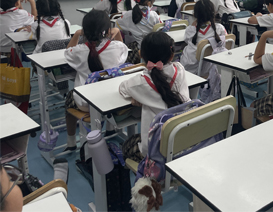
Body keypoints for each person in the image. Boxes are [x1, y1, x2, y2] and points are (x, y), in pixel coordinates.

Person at [64, 10, 128, 151]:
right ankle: (111, 129)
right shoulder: (117, 47)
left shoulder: (79, 51)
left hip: (86, 103)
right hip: (114, 98)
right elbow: (123, 52)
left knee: (69, 98)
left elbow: (67, 53)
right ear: (107, 30)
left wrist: (76, 34)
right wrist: (116, 33)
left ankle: (71, 142)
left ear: (84, 30)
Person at [119, 32, 190, 161]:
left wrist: (139, 98)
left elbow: (122, 88)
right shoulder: (180, 70)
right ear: (172, 55)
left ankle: (144, 178)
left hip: (155, 152)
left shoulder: (140, 82)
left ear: (141, 55)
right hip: (183, 142)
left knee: (126, 147)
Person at [180, 0, 227, 75]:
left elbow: (186, 40)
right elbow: (226, 40)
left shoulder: (190, 29)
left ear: (195, 14)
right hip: (210, 67)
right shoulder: (220, 28)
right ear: (214, 13)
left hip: (189, 68)